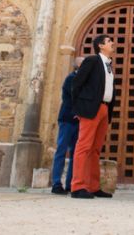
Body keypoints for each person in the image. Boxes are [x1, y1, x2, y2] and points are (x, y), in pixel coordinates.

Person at [70, 34, 116, 199]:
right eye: (109, 41)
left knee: (95, 149)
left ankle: (93, 186)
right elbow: (76, 84)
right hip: (91, 109)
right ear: (101, 46)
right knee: (84, 147)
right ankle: (78, 186)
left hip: (104, 109)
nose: (112, 43)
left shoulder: (109, 65)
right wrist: (78, 108)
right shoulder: (92, 61)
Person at [50, 57, 84, 195]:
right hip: (67, 119)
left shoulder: (82, 79)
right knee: (61, 150)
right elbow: (70, 98)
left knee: (76, 153)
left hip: (77, 121)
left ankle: (71, 183)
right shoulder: (71, 78)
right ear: (78, 66)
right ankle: (56, 183)